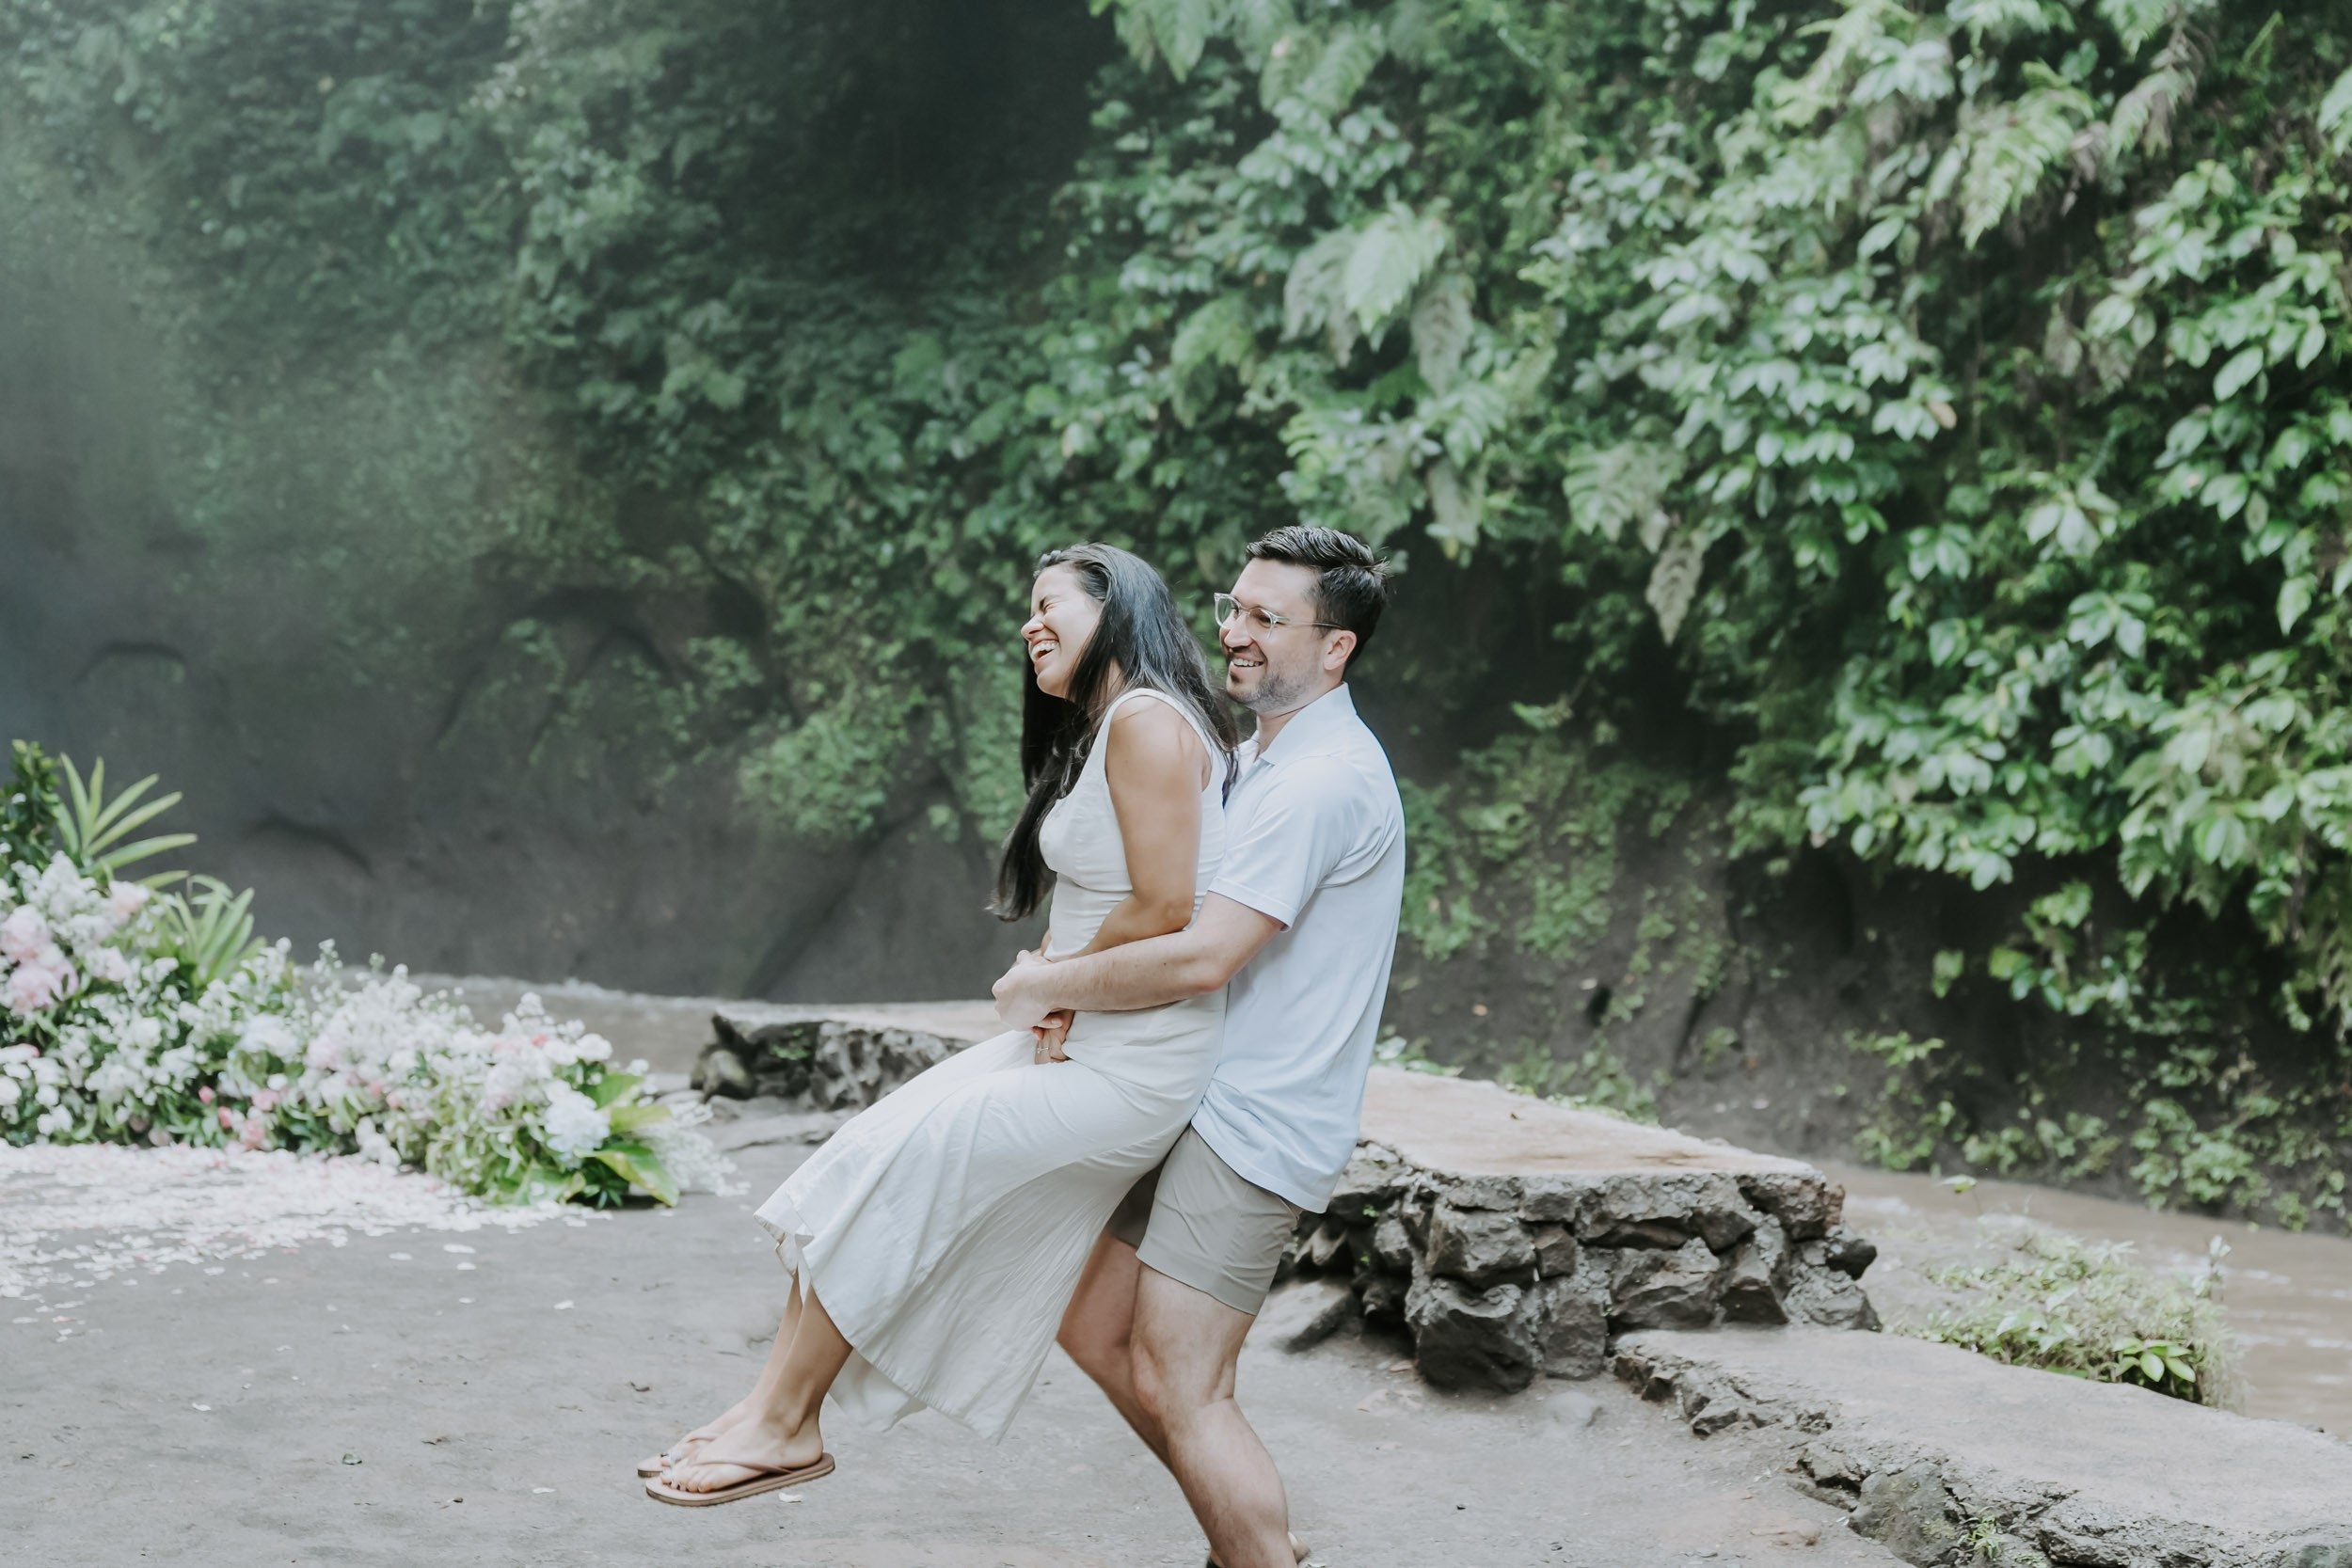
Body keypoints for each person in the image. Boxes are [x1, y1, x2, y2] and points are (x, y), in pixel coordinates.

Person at [643, 541, 1240, 1504]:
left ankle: (788, 1422)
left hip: (1139, 1058)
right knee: (869, 1150)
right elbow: (1106, 893)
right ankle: (767, 1406)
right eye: (1027, 608)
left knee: (911, 1168)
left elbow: (1170, 907)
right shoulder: (1117, 726)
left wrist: (1050, 980)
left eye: (1051, 603)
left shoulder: (1144, 719)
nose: (1029, 623)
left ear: (1118, 608)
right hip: (1088, 1031)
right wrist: (1057, 986)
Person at [992, 524, 1405, 1568]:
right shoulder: (1257, 754)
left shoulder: (1323, 780)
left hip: (1251, 1123)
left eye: (1269, 619)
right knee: (1092, 1325)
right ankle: (1256, 1537)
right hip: (1187, 1091)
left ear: (1337, 647)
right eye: (1234, 607)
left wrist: (1050, 984)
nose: (1235, 632)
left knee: (1184, 1381)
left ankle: (1255, 1550)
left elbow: (1202, 954)